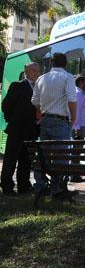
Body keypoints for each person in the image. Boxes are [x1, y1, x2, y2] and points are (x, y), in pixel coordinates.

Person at [31, 52, 78, 199]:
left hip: (45, 121)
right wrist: (73, 118)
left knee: (43, 155)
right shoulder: (68, 77)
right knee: (61, 156)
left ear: (52, 63)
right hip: (61, 121)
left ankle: (40, 185)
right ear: (65, 64)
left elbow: (35, 101)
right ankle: (57, 188)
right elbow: (71, 100)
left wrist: (41, 114)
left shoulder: (41, 78)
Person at [0, 62, 41, 195]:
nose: (36, 73)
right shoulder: (17, 85)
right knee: (10, 160)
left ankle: (24, 186)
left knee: (26, 161)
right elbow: (6, 105)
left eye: (38, 71)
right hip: (17, 130)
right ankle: (7, 187)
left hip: (32, 131)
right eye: (33, 70)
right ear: (26, 72)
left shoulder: (40, 88)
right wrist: (12, 120)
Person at [70, 75, 85, 183]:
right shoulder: (78, 93)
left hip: (82, 126)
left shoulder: (80, 93)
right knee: (76, 151)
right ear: (80, 83)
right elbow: (76, 112)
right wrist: (76, 128)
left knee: (77, 151)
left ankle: (75, 175)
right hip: (79, 127)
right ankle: (74, 176)